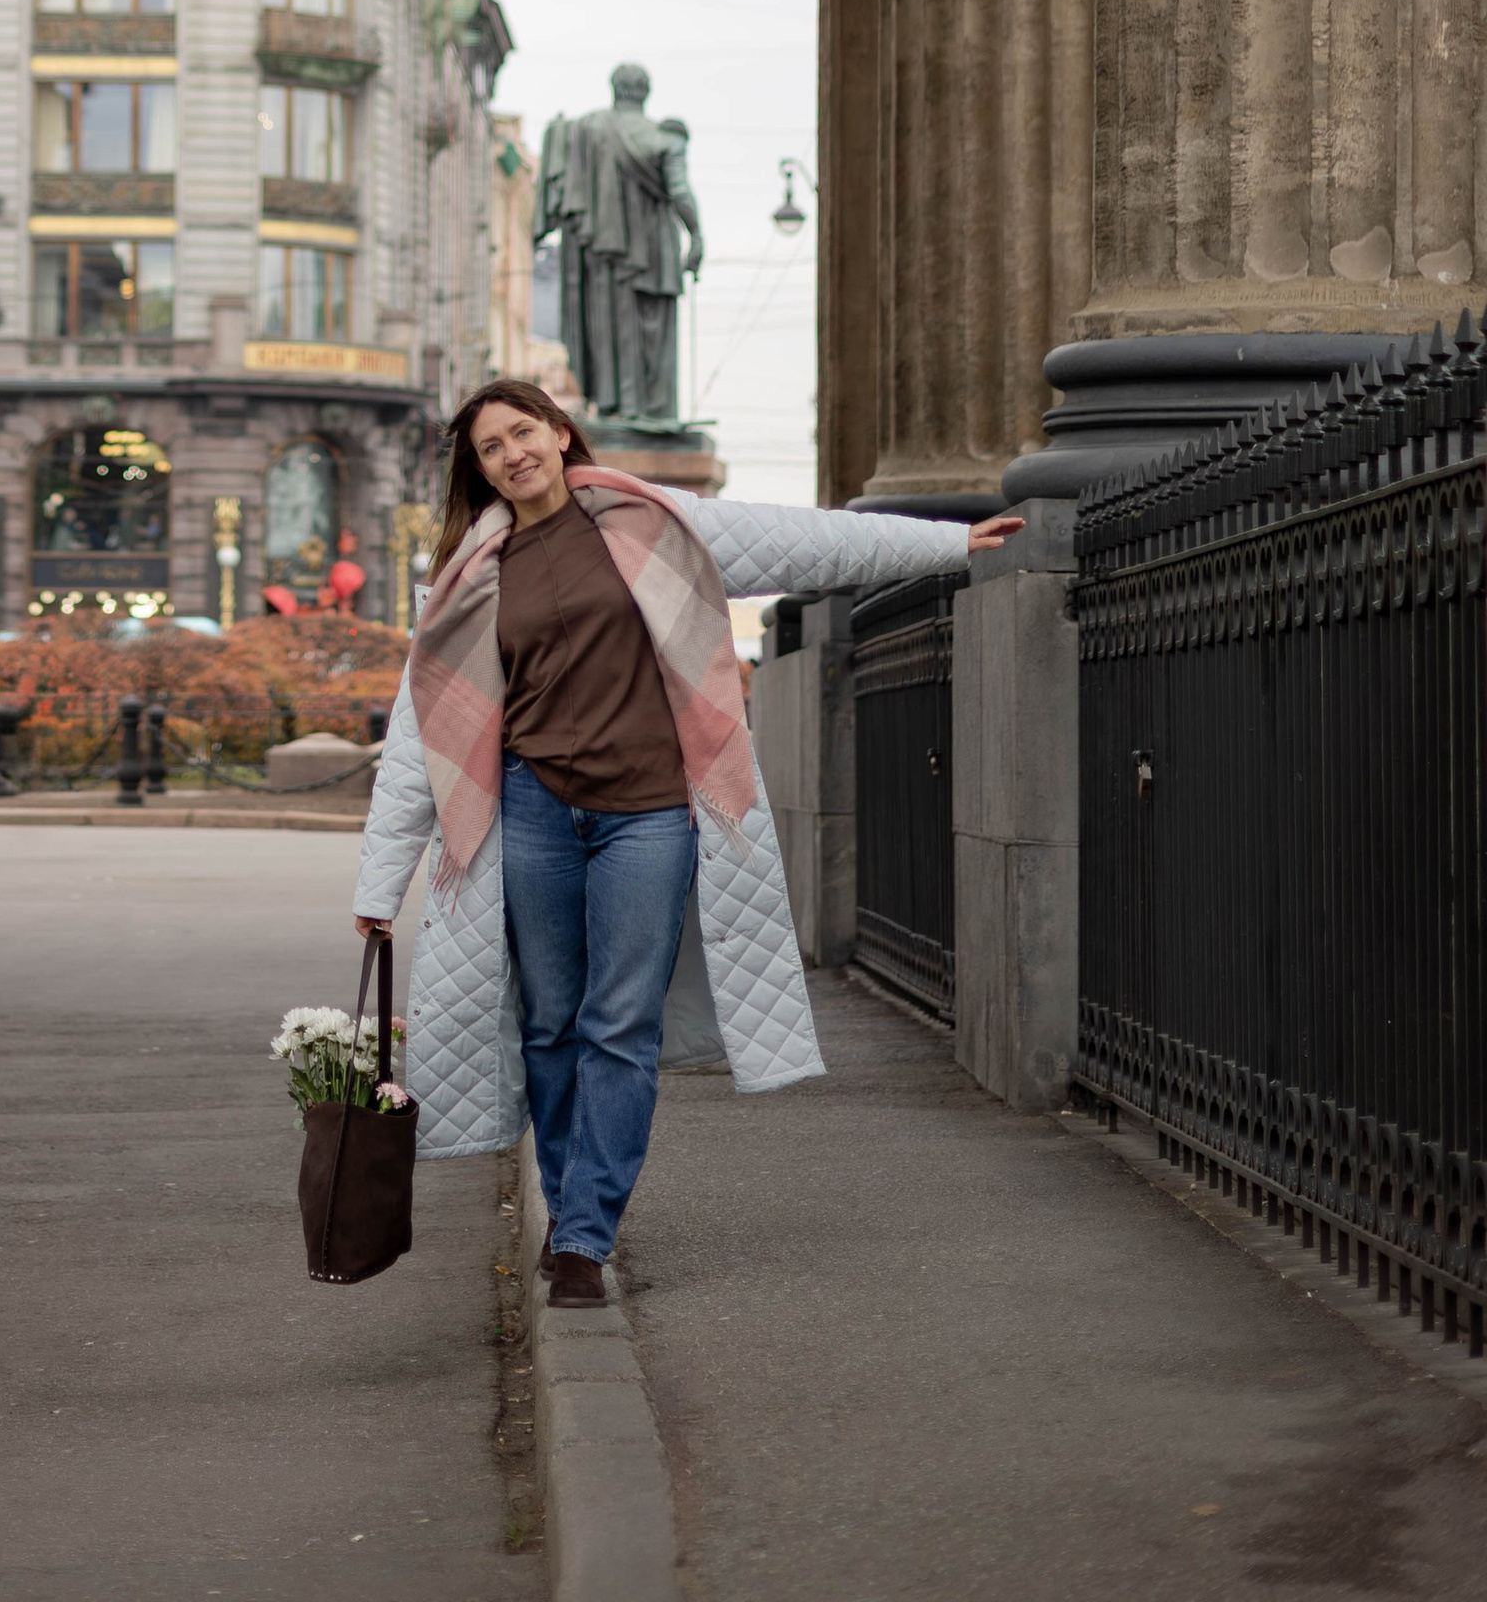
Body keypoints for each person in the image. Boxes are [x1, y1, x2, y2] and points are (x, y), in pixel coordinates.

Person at [352, 379, 1017, 1309]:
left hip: (651, 814)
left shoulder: (647, 520)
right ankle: (569, 1203)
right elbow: (423, 736)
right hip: (536, 814)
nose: (512, 454)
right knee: (550, 1024)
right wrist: (379, 886)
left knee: (618, 1023)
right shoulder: (470, 576)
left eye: (522, 432)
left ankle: (585, 1235)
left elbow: (805, 538)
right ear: (480, 470)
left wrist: (951, 541)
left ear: (558, 431)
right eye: (490, 448)